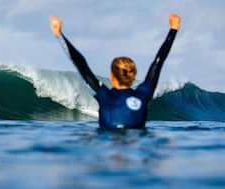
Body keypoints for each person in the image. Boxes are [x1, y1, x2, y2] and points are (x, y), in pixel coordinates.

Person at [50, 13, 181, 129]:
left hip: (109, 147)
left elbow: (82, 66)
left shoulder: (106, 96)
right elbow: (158, 62)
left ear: (111, 75)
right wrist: (173, 29)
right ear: (133, 75)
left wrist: (59, 34)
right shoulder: (143, 95)